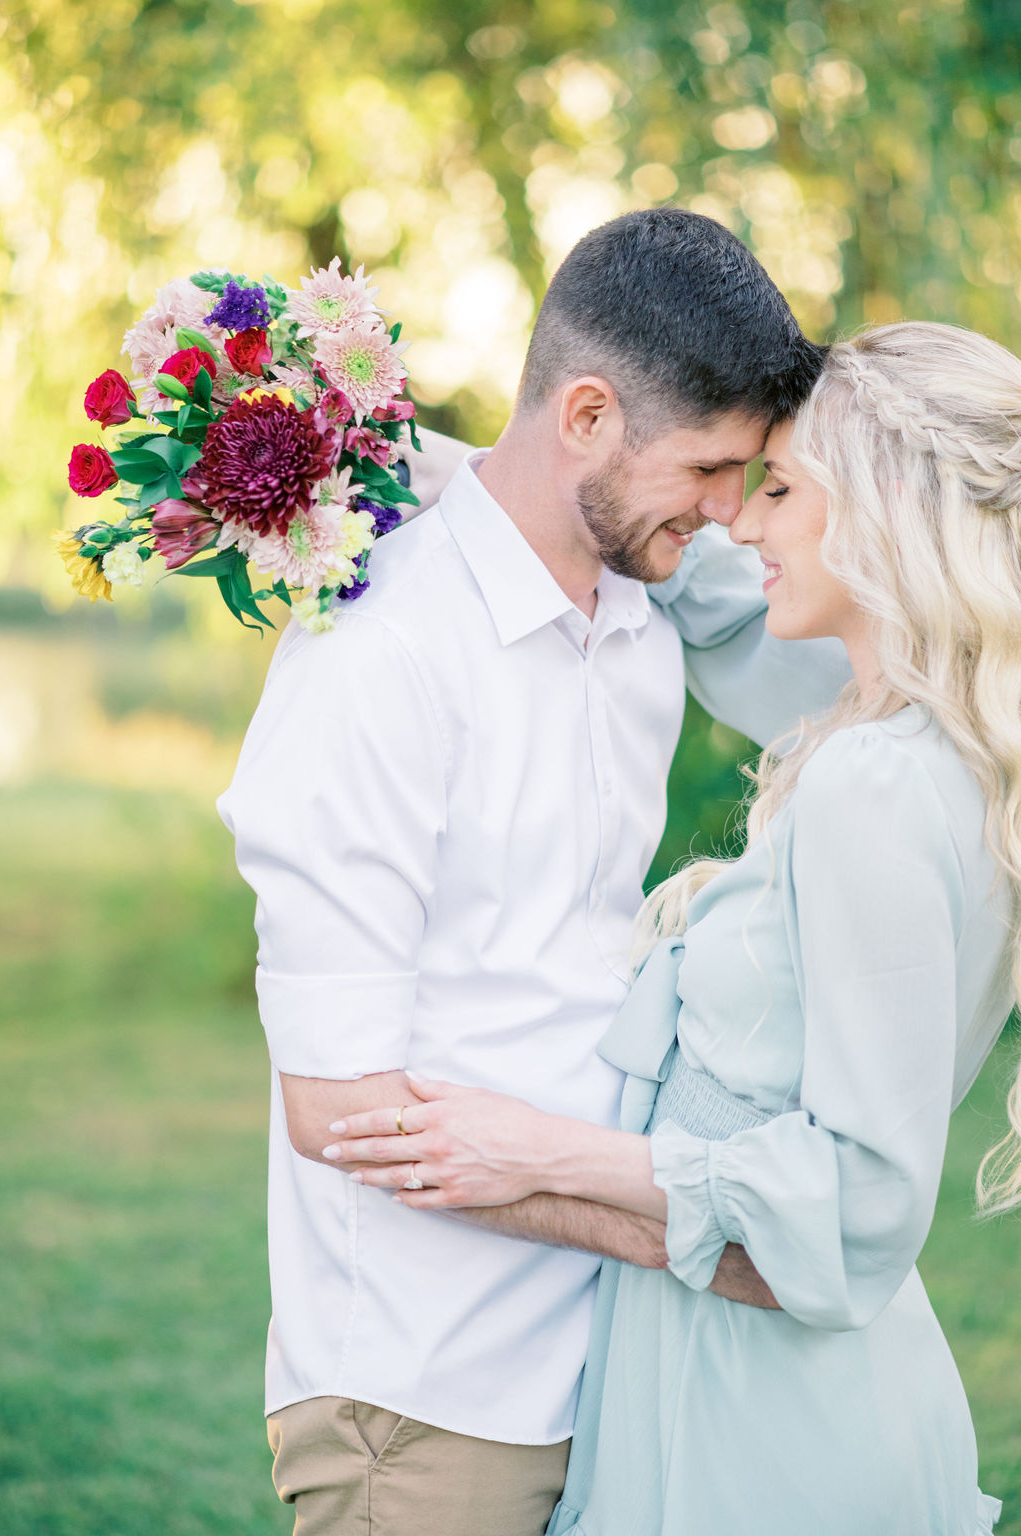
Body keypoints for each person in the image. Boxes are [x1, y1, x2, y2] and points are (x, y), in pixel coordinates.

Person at [330, 321, 1021, 1535]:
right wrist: (402, 461)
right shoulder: (937, 745)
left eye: (780, 488)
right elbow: (686, 576)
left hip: (767, 1414)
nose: (742, 523)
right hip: (731, 1365)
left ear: (883, 515)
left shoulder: (878, 787)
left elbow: (860, 1198)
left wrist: (536, 1155)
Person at [218, 207, 848, 1536]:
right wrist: (699, 1236)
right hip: (429, 1391)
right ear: (584, 418)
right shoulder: (379, 655)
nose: (733, 510)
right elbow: (341, 1110)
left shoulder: (639, 618)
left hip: (618, 1366)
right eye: (712, 468)